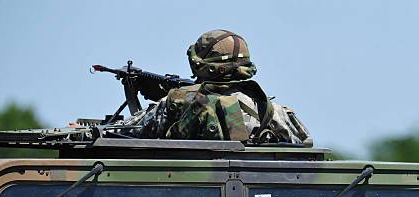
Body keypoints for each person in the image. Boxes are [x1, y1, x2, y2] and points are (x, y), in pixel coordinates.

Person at [124, 30, 311, 144]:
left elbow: (125, 133)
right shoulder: (272, 111)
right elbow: (304, 145)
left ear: (199, 64)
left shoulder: (176, 103)